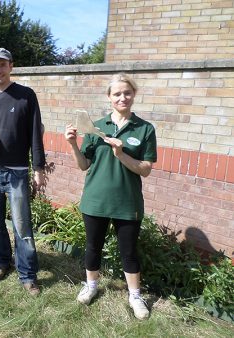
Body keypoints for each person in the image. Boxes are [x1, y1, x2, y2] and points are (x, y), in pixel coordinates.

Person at [64, 73, 157, 319]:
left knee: (129, 251)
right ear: (109, 97)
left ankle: (135, 296)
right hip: (95, 200)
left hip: (128, 203)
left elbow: (146, 170)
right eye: (117, 94)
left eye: (127, 93)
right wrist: (73, 144)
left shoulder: (145, 129)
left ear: (133, 95)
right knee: (93, 246)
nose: (122, 97)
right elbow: (83, 165)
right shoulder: (95, 127)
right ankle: (91, 285)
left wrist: (121, 154)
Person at [0, 48, 46, 296]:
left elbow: (36, 133)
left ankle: (27, 274)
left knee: (22, 226)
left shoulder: (25, 96)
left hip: (17, 173)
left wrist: (38, 168)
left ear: (11, 66)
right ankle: (2, 261)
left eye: (2, 65)